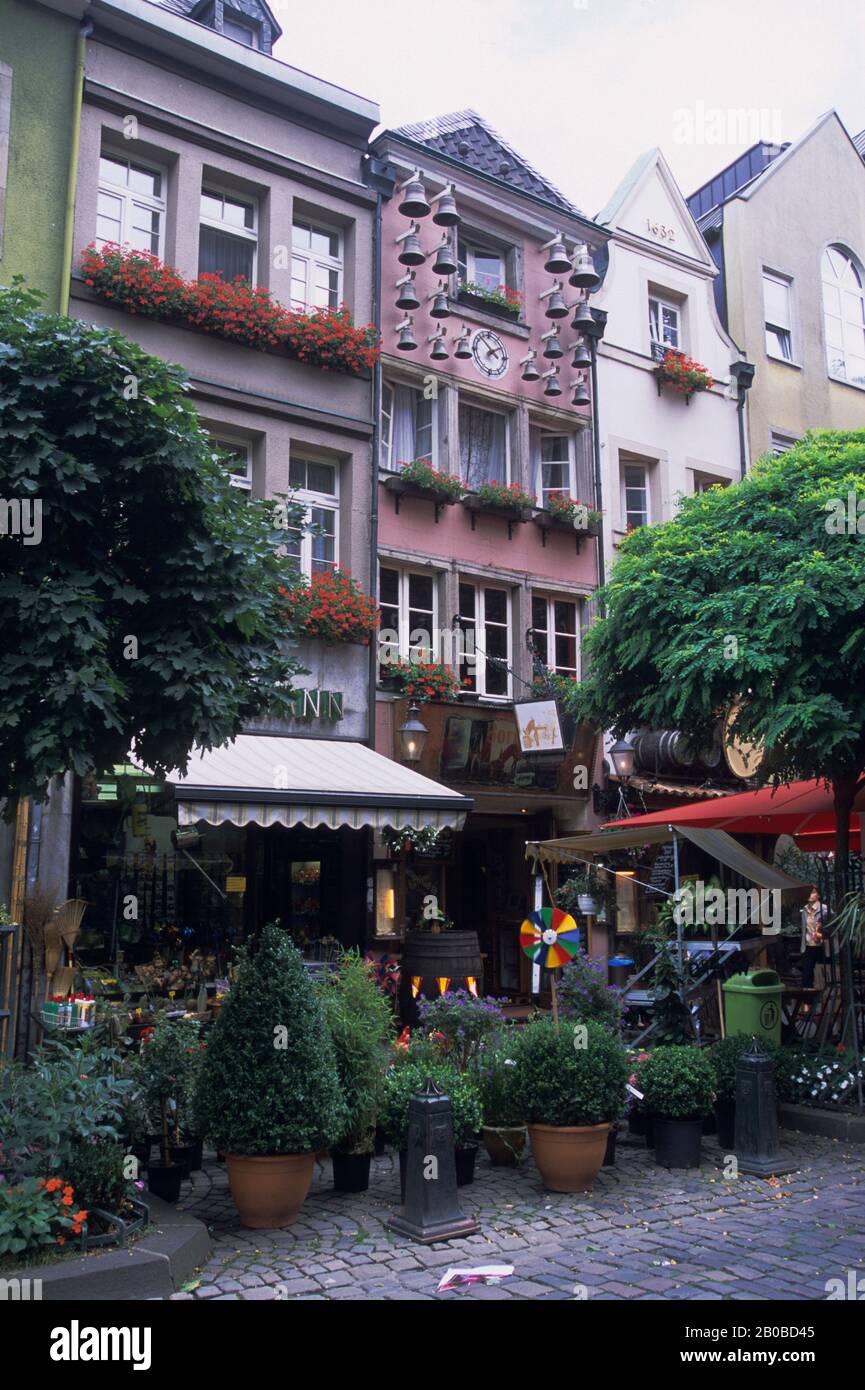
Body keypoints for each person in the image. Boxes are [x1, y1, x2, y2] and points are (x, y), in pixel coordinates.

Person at [800, 887, 828, 993]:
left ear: (818, 895)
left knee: (823, 971)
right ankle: (807, 1004)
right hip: (808, 944)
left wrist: (821, 933)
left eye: (813, 892)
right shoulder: (804, 910)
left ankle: (823, 996)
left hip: (821, 944)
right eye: (809, 893)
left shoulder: (824, 909)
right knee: (807, 973)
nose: (810, 895)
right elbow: (804, 928)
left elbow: (831, 926)